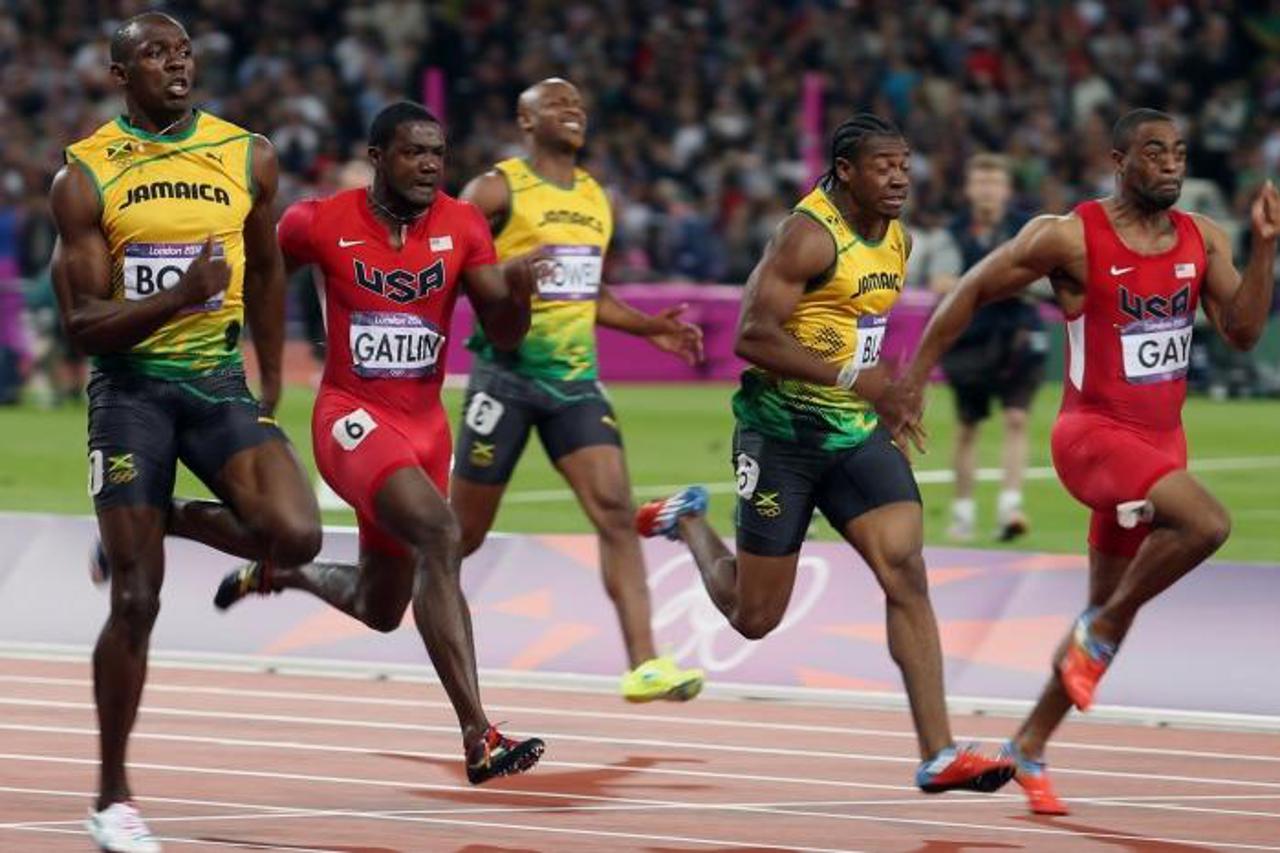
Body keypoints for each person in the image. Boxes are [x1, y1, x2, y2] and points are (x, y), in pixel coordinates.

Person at [888, 109, 1279, 815]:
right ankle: (1092, 638)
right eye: (1154, 152)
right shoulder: (1068, 236)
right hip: (1092, 437)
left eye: (1179, 152)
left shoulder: (1203, 238)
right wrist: (915, 378)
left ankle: (1029, 746)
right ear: (1118, 159)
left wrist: (1265, 247)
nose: (1171, 163)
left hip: (1162, 443)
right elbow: (972, 286)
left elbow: (1246, 332)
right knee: (1207, 524)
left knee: (1107, 612)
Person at [636, 115, 1015, 794]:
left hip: (852, 435)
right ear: (846, 170)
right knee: (754, 616)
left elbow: (858, 339)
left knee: (906, 569)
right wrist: (854, 378)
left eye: (905, 164)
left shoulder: (897, 240)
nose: (900, 177)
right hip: (780, 437)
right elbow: (752, 335)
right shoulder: (808, 235)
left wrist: (886, 397)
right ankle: (689, 520)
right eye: (884, 166)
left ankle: (939, 751)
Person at [212, 102, 546, 786]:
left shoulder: (464, 223)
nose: (429, 165)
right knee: (441, 534)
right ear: (376, 156)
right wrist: (253, 361)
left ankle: (287, 571)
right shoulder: (319, 219)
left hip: (426, 429)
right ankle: (479, 734)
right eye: (413, 152)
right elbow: (259, 270)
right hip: (350, 419)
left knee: (381, 607)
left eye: (438, 154)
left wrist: (518, 296)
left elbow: (504, 332)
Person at [51, 13, 324, 852]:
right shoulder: (86, 175)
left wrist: (275, 370)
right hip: (131, 394)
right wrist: (182, 294)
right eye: (154, 55)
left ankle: (154, 516)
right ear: (119, 73)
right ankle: (112, 797)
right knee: (138, 598)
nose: (176, 64)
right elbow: (86, 325)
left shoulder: (248, 154)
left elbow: (269, 263)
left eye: (183, 52)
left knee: (297, 533)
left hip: (215, 386)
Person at [450, 78, 706, 703]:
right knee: (461, 536)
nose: (574, 112)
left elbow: (587, 291)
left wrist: (650, 329)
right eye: (557, 105)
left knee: (616, 513)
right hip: (504, 380)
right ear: (525, 120)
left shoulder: (596, 197)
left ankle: (645, 663)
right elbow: (447, 258)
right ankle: (387, 585)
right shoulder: (495, 188)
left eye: (579, 106)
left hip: (573, 384)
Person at [929, 154, 1046, 542]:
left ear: (1006, 189)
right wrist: (1008, 284)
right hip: (971, 340)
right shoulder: (952, 231)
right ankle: (963, 513)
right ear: (968, 188)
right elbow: (941, 282)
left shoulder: (1029, 230)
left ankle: (1010, 507)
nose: (987, 190)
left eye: (994, 183)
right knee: (967, 427)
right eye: (980, 182)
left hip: (1019, 337)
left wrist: (976, 286)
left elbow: (1045, 280)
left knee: (1017, 419)